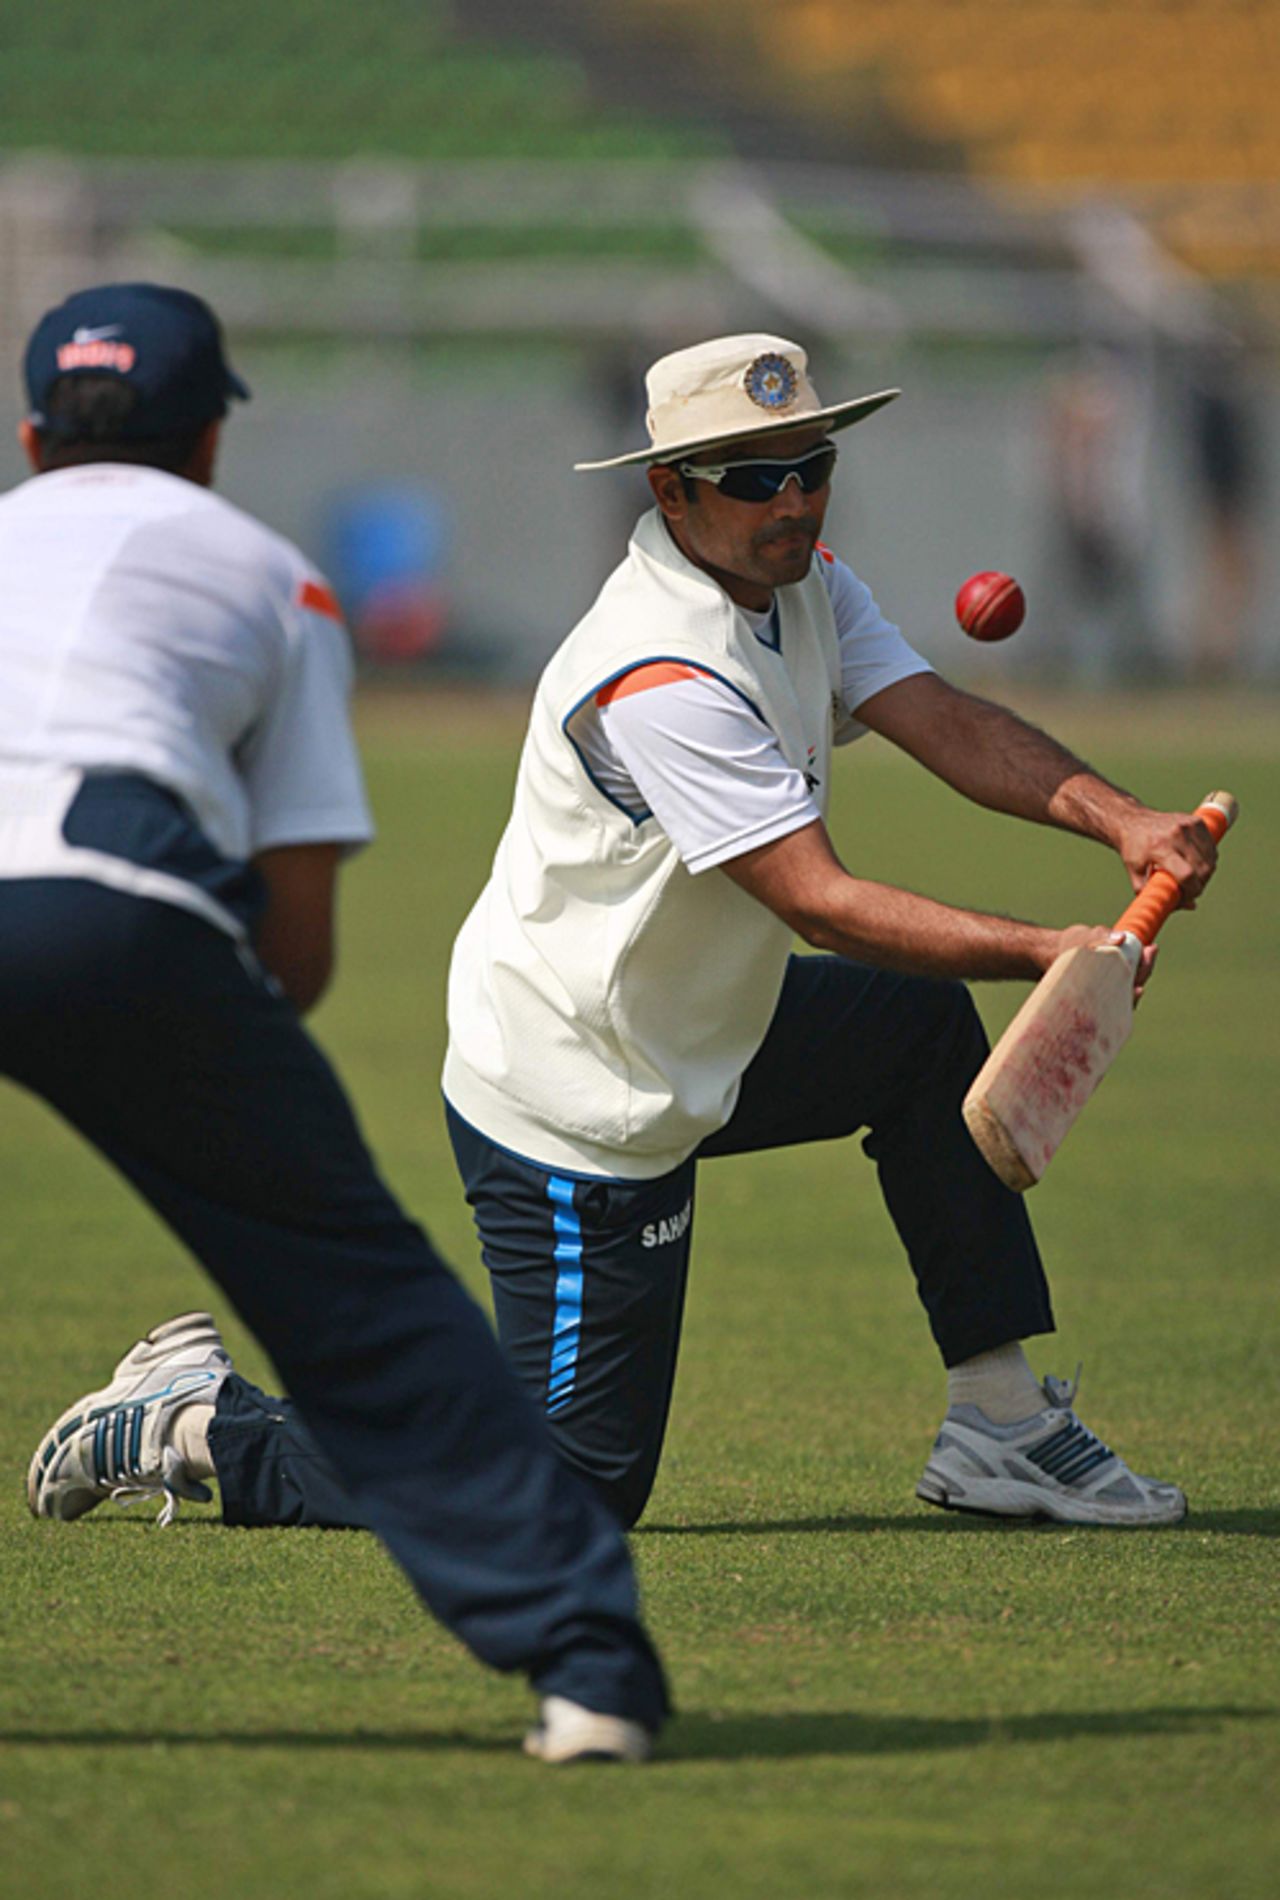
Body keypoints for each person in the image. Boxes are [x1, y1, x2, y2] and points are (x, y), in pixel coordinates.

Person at [70, 333, 1219, 1545]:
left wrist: (1120, 819)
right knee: (571, 1487)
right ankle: (199, 1419)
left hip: (705, 1025)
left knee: (914, 1030)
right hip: (584, 1090)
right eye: (748, 476)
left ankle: (999, 1418)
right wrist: (1048, 952)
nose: (788, 500)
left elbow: (937, 716)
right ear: (669, 490)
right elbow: (815, 901)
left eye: (807, 464)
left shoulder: (805, 583)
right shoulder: (656, 676)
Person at [9, 282, 668, 1765]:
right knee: (366, 1304)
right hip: (120, 912)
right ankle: (588, 1675)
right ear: (211, 440)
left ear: (36, 432)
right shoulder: (268, 576)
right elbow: (295, 947)